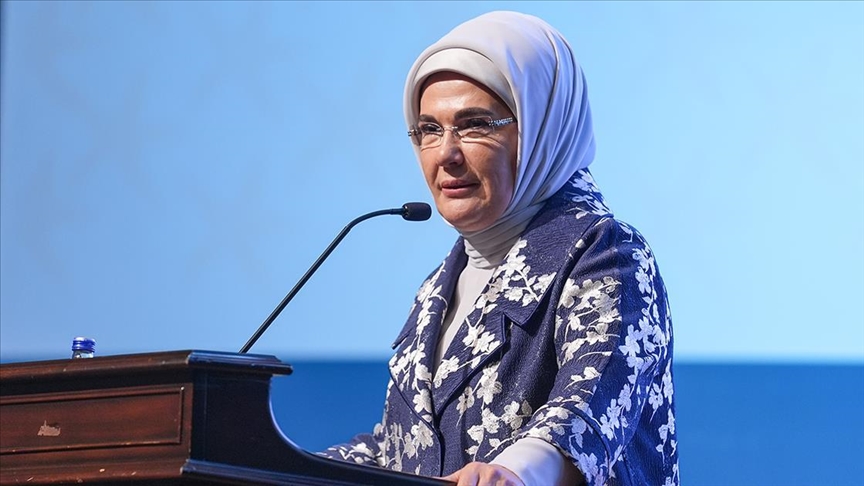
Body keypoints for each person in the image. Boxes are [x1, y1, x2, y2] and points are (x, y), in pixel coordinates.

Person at [321, 11, 678, 486]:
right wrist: (270, 466)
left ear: (540, 127)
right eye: (428, 129)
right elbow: (402, 450)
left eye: (474, 124)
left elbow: (587, 411)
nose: (445, 154)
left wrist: (513, 472)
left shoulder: (607, 255)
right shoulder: (438, 287)